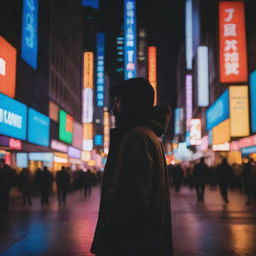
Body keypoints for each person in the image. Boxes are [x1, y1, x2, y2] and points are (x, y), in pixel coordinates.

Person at [91, 78, 172, 256]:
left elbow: (131, 201)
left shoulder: (136, 138)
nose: (114, 109)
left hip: (131, 246)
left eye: (118, 102)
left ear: (132, 104)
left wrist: (111, 237)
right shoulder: (148, 135)